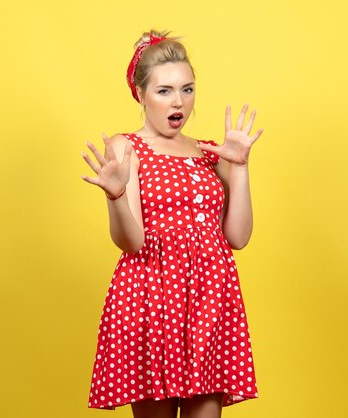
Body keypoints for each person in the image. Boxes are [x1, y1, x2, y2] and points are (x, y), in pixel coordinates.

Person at [81, 29, 263, 418]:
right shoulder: (126, 147)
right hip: (149, 297)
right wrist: (115, 196)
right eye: (164, 91)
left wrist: (240, 166)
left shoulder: (211, 151)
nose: (178, 101)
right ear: (141, 94)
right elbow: (131, 242)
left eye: (187, 89)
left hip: (209, 299)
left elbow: (238, 237)